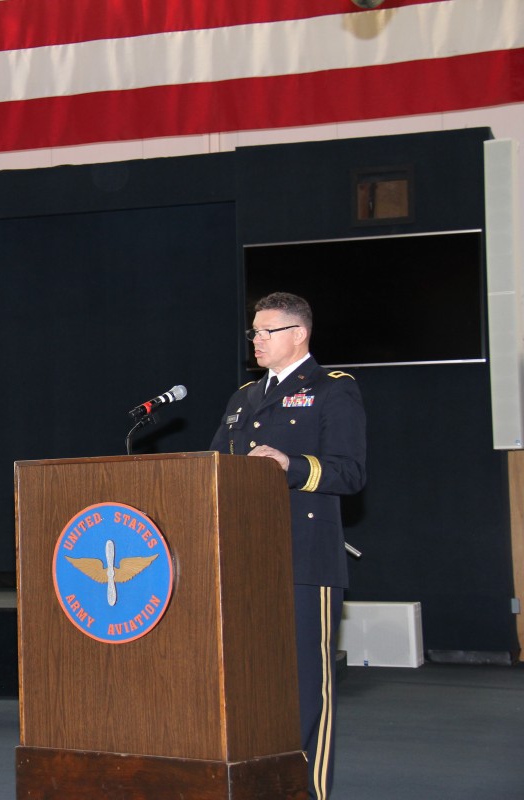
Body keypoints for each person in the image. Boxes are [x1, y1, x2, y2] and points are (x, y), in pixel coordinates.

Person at [209, 292, 366, 800]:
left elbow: (350, 472)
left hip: (304, 558)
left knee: (305, 690)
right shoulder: (242, 398)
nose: (254, 340)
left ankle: (308, 792)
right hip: (244, 561)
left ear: (297, 334)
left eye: (265, 331)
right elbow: (213, 468)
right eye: (253, 331)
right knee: (254, 686)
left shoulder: (331, 390)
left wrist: (290, 465)